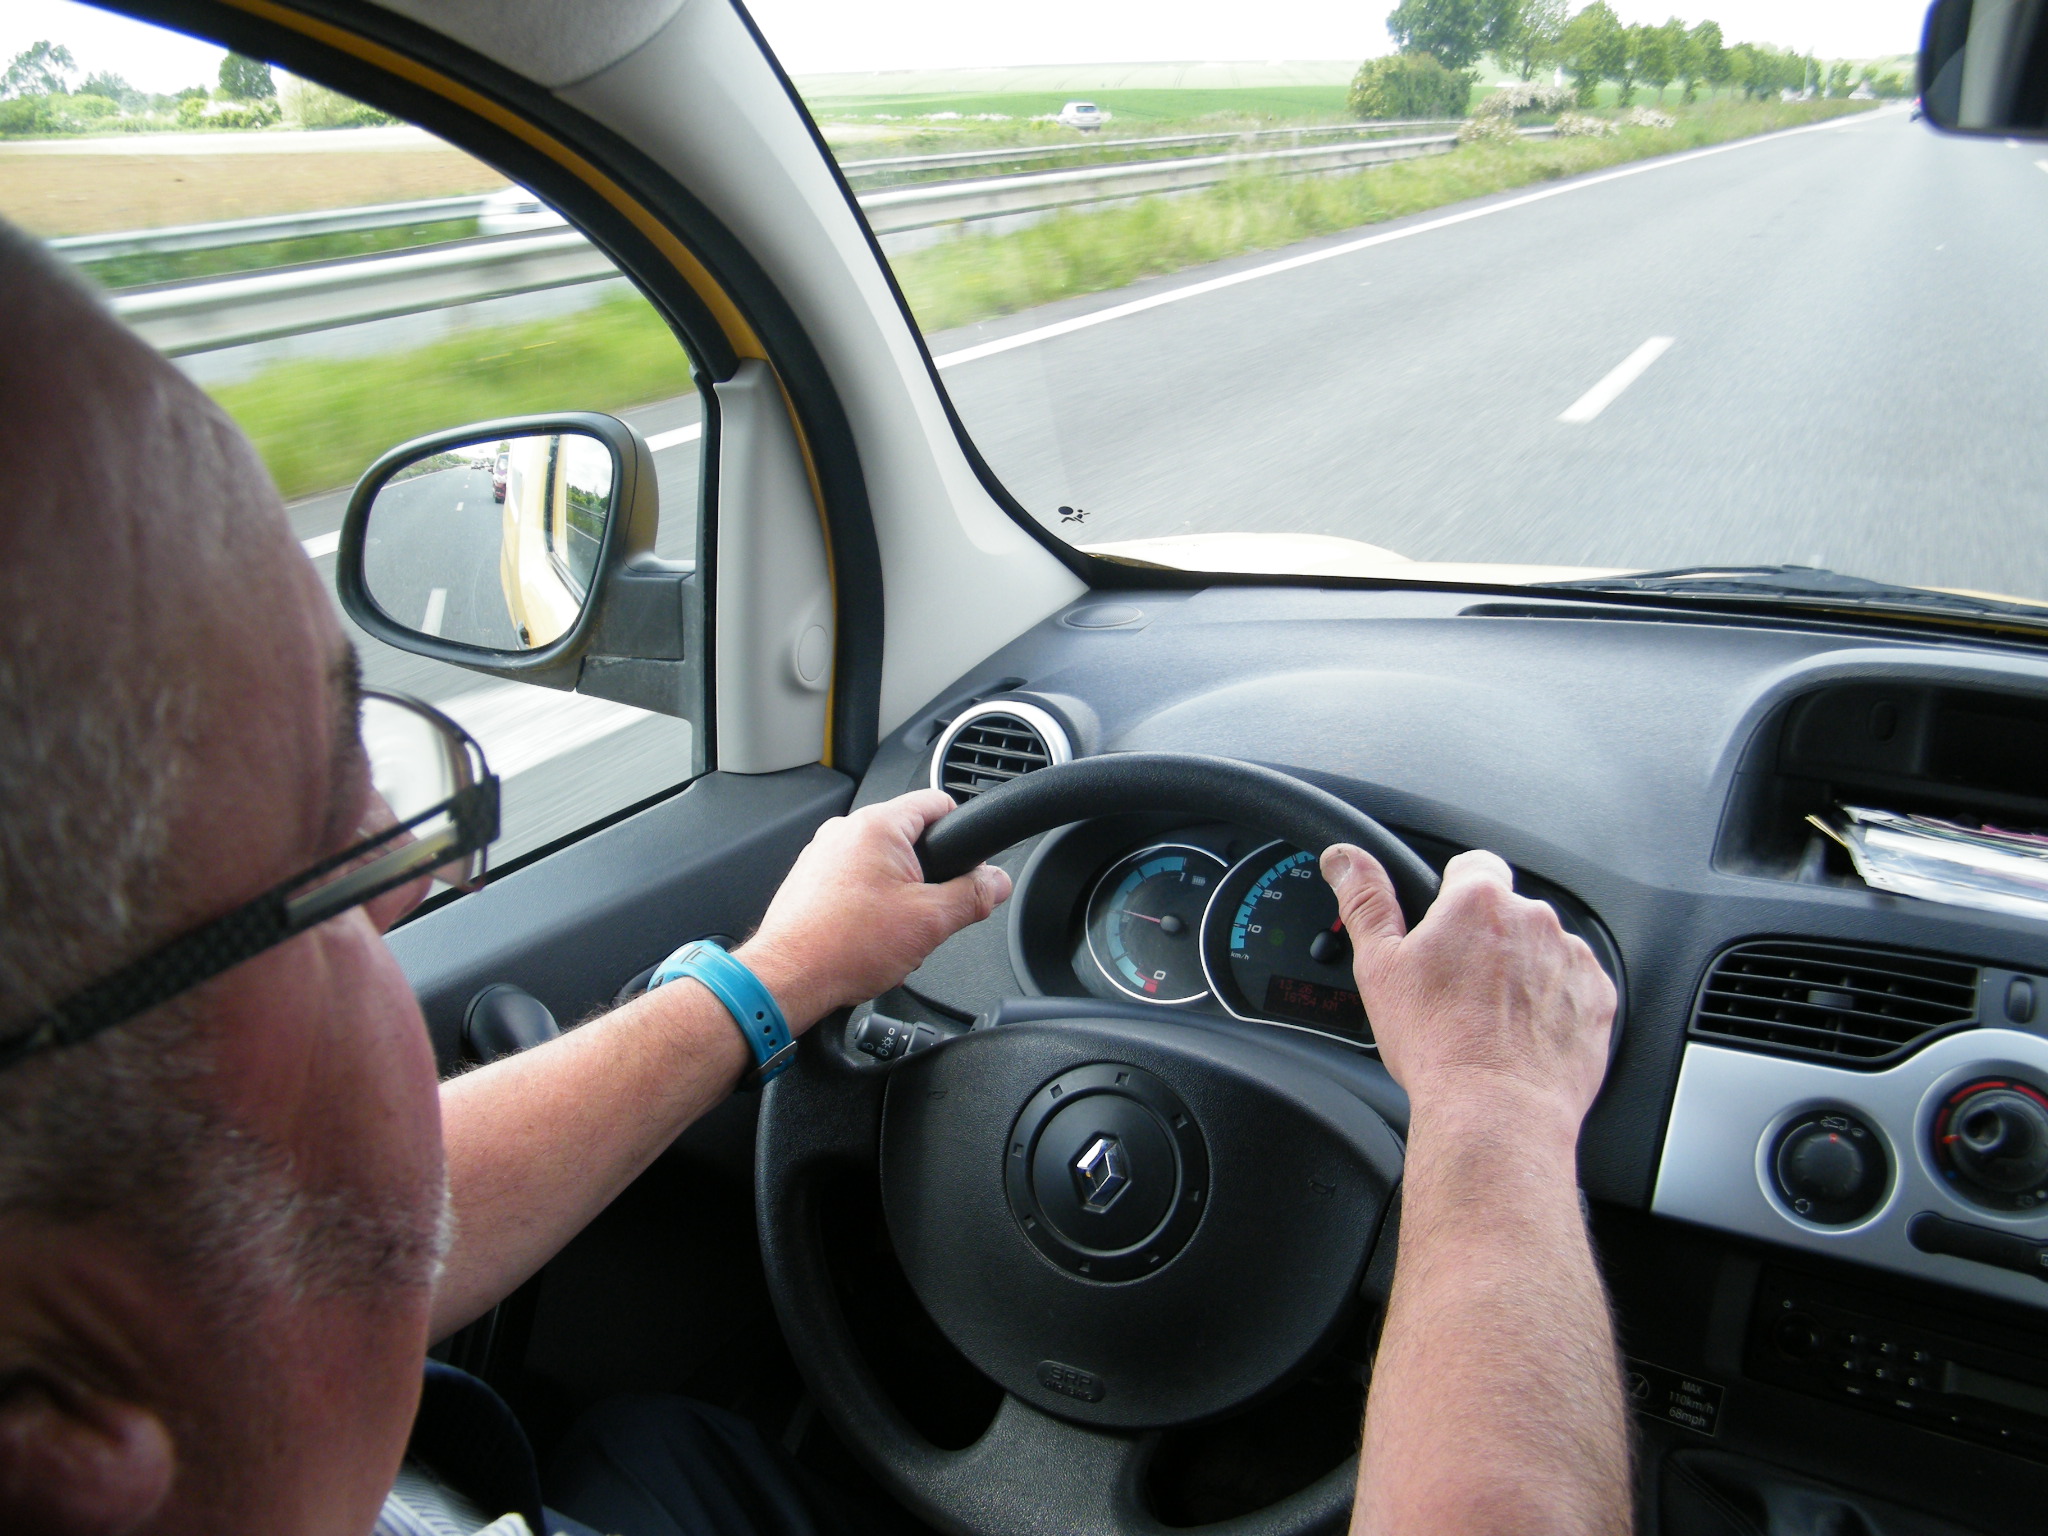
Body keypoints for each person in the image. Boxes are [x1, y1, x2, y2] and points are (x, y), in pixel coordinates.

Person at [0, 218, 1626, 1536]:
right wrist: (1490, 1113)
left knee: (663, 1442)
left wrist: (773, 983)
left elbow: (322, 1236)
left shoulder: (161, 1327)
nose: (412, 904)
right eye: (348, 856)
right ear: (55, 1435)